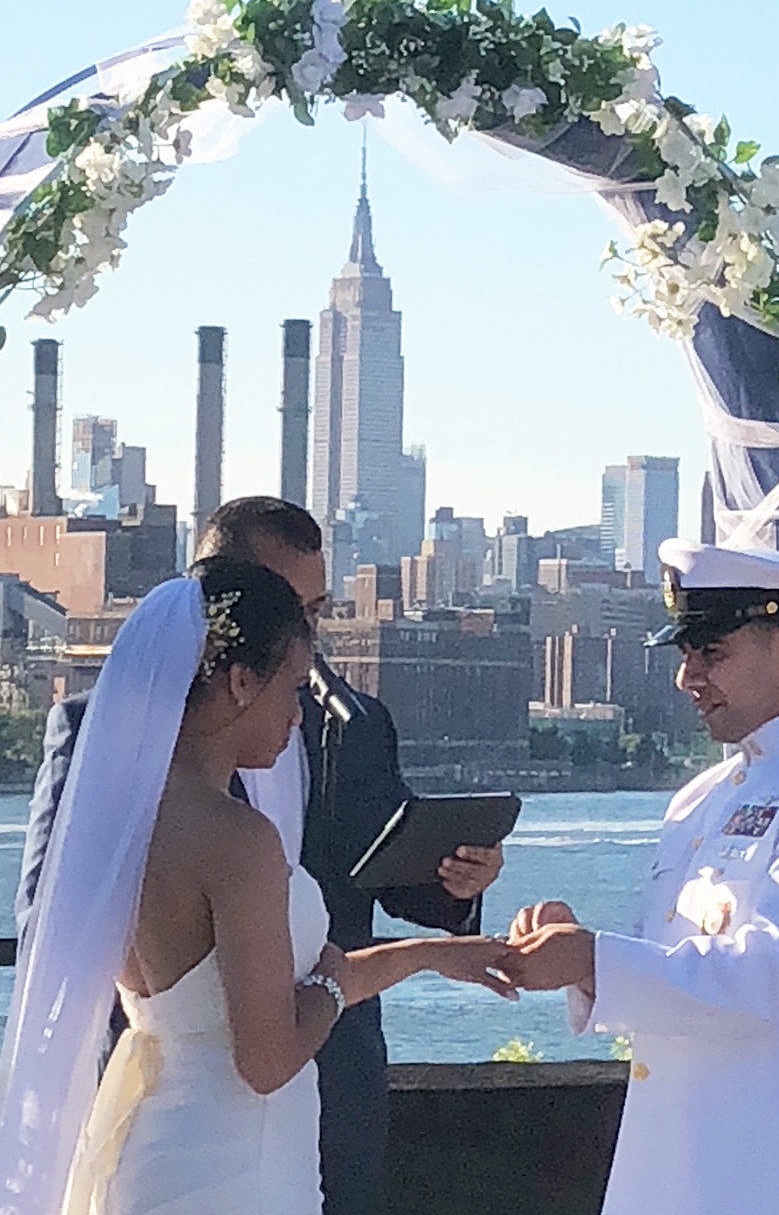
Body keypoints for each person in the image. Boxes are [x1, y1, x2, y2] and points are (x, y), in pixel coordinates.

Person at [16, 496, 504, 1215]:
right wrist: (335, 982)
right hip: (237, 1153)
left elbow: (379, 866)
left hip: (180, 1137)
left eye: (316, 608)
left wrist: (445, 920)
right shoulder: (231, 834)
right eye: (290, 618)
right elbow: (266, 1050)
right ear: (239, 667)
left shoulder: (144, 790)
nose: (303, 701)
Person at [501, 537, 779, 1215]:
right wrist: (580, 955)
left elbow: (774, 979)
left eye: (710, 653)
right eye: (686, 653)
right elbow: (676, 969)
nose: (686, 678)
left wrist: (596, 960)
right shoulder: (700, 797)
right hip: (666, 1174)